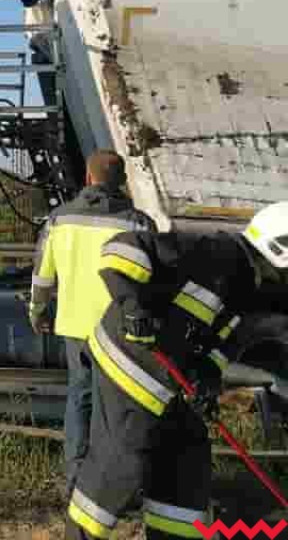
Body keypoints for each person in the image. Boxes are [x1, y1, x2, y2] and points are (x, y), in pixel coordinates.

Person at [65, 201, 288, 539]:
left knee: (187, 465)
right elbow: (122, 248)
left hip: (172, 384)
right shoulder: (211, 251)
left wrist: (207, 378)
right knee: (122, 465)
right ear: (279, 249)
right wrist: (132, 307)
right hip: (129, 365)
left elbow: (225, 346)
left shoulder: (252, 291)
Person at [28, 150, 156, 495]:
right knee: (115, 407)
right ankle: (114, 485)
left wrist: (37, 311)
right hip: (119, 332)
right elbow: (152, 281)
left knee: (80, 398)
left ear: (88, 178)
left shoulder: (60, 220)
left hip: (75, 328)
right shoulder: (138, 223)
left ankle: (75, 480)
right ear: (123, 181)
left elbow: (42, 275)